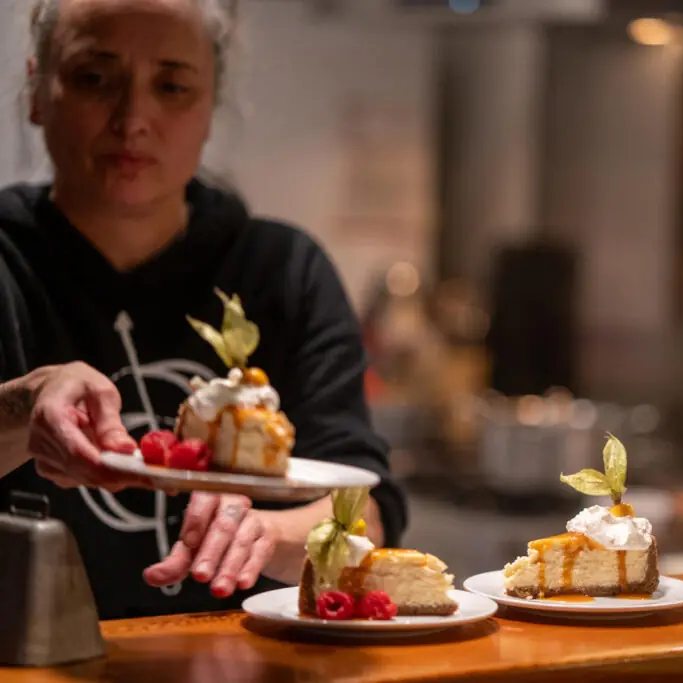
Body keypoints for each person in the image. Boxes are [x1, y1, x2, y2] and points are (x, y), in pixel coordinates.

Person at [0, 0, 407, 620]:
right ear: (37, 90)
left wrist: (271, 534)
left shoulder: (283, 270)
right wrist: (22, 406)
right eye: (94, 78)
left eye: (172, 87)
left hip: (238, 654)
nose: (133, 119)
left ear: (211, 104)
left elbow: (366, 510)